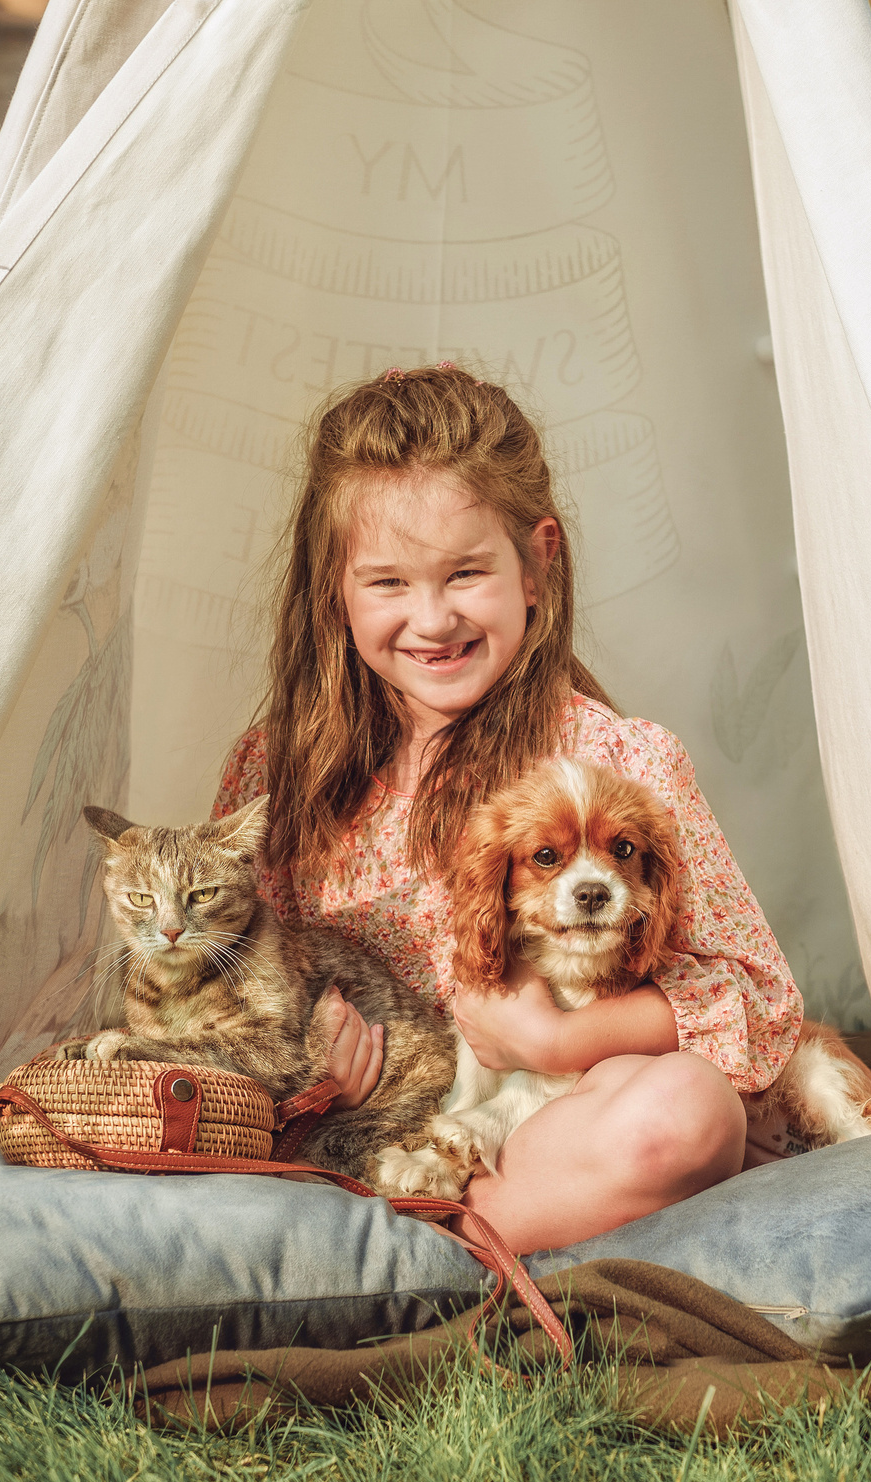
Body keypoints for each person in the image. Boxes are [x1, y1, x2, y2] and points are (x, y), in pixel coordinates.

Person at [211, 363, 802, 1251]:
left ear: (537, 564)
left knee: (687, 1112)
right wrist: (309, 1047)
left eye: (465, 573)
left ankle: (401, 1257)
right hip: (363, 1122)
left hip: (543, 1127)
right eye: (387, 584)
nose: (433, 619)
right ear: (333, 587)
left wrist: (557, 1038)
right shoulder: (279, 773)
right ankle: (412, 1236)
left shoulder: (615, 759)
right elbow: (217, 962)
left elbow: (759, 996)